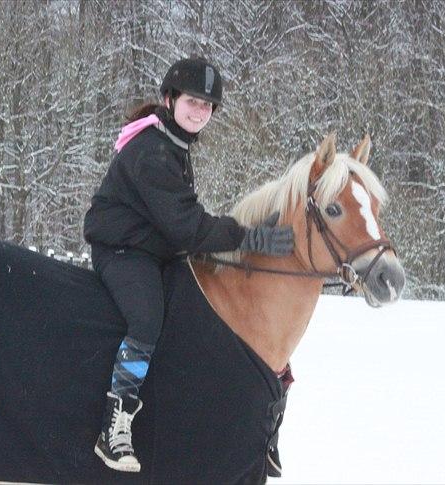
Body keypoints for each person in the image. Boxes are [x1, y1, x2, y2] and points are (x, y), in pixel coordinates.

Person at [83, 57, 295, 473]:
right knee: (146, 320)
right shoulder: (151, 150)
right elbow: (187, 227)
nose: (200, 112)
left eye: (207, 106)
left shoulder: (174, 146)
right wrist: (247, 235)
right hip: (123, 251)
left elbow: (183, 225)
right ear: (170, 98)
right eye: (193, 101)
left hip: (157, 250)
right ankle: (115, 425)